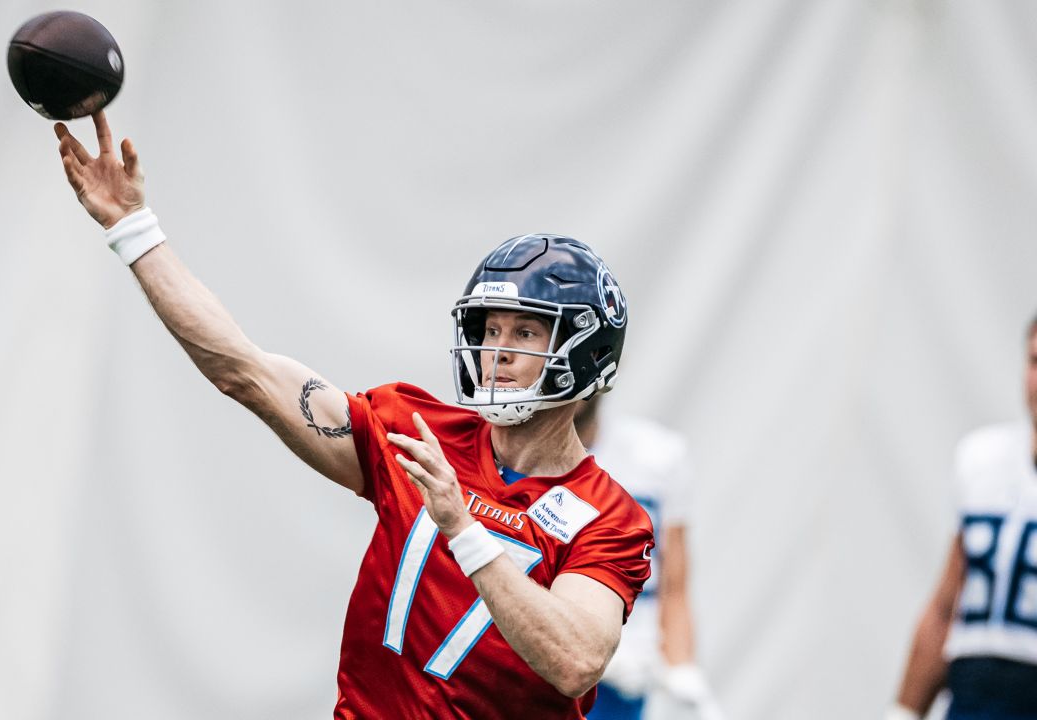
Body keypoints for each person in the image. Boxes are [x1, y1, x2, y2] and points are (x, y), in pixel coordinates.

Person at [52, 111, 654, 719]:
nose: (496, 352)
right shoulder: (416, 430)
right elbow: (246, 370)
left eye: (524, 332)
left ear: (587, 355)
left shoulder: (610, 517)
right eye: (489, 328)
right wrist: (133, 228)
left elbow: (575, 659)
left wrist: (463, 530)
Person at [889, 314, 1037, 720]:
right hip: (974, 694)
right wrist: (903, 710)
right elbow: (945, 605)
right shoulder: (982, 459)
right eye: (1035, 362)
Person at [574, 396, 723, 720]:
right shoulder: (507, 457)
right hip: (535, 677)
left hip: (625, 686)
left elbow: (673, 585)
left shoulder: (656, 455)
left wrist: (682, 668)